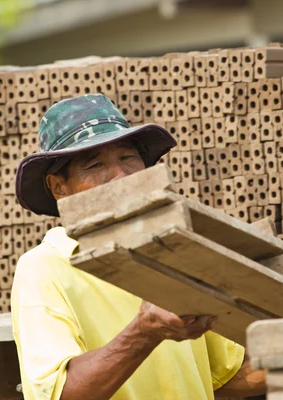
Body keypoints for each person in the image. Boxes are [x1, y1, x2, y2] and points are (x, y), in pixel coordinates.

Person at [13, 94, 267, 400]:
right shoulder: (45, 268)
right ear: (59, 187)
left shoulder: (172, 252)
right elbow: (60, 394)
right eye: (94, 164)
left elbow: (226, 376)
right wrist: (143, 334)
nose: (120, 176)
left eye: (128, 158)